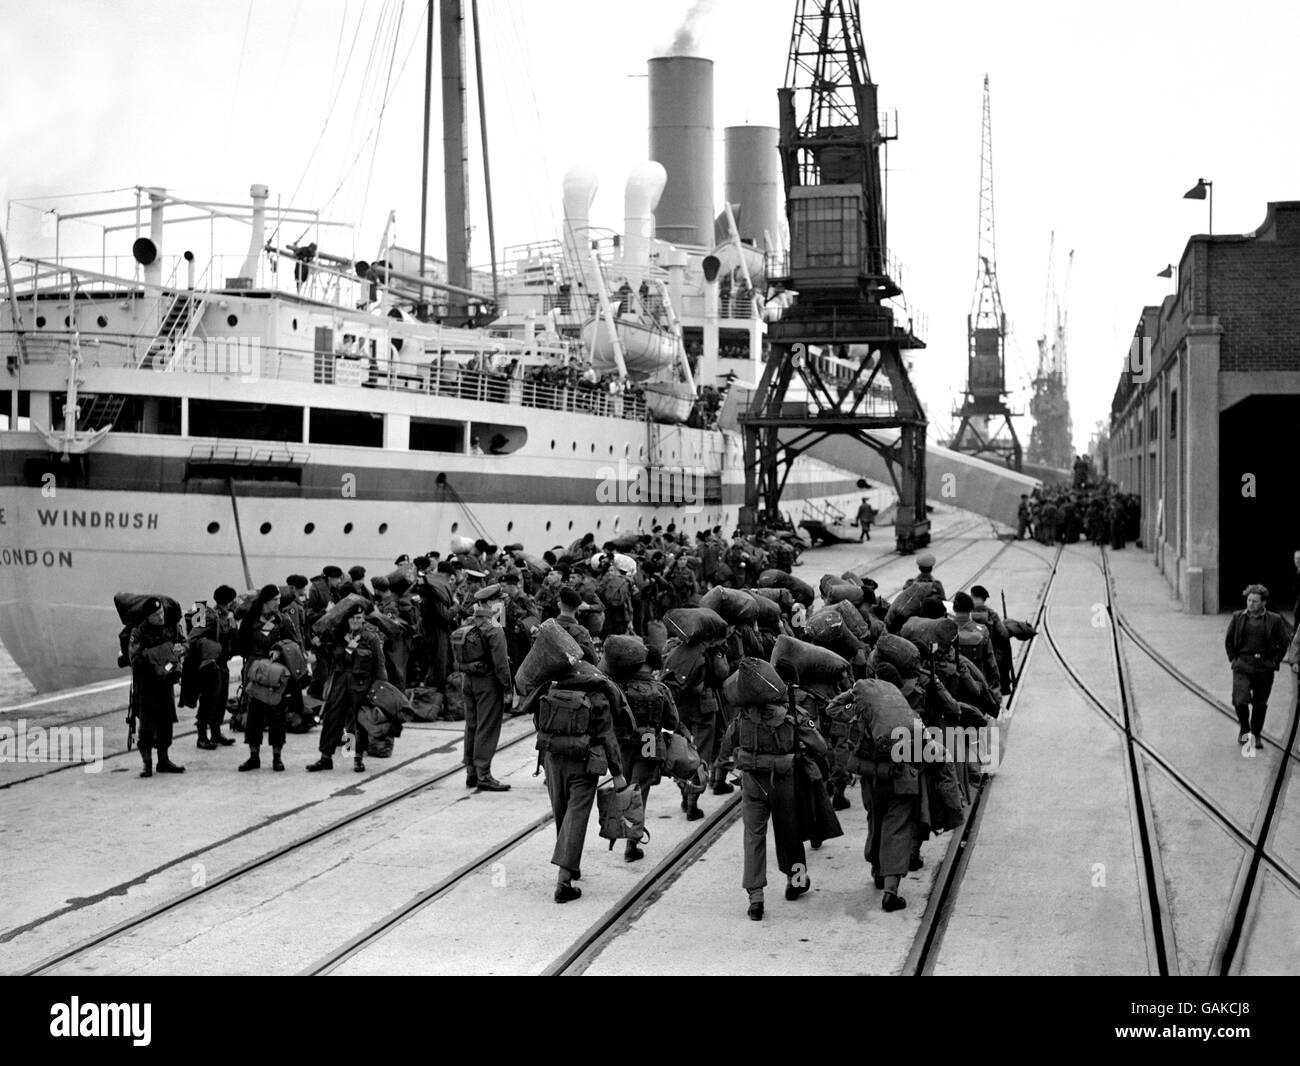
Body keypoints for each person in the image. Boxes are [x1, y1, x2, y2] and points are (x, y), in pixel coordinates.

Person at [717, 658, 826, 921]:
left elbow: (725, 747)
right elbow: (821, 747)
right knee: (790, 834)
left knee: (753, 837)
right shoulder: (795, 714)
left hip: (752, 782)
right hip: (784, 782)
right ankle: (796, 880)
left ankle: (756, 898)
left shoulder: (744, 715)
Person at [519, 664, 627, 903]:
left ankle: (570, 864)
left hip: (553, 760)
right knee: (576, 816)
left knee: (562, 812)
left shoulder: (549, 687)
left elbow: (532, 714)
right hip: (583, 762)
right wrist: (617, 773)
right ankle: (564, 880)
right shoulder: (597, 695)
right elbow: (607, 736)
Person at [606, 636, 681, 863]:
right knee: (640, 790)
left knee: (627, 786)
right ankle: (632, 842)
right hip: (649, 742)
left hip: (624, 743)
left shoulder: (621, 687)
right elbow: (672, 723)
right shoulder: (660, 689)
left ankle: (620, 829)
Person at [308, 602, 387, 773]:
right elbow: (330, 657)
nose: (355, 621)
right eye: (352, 617)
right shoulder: (339, 636)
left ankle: (357, 758)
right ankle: (325, 757)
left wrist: (378, 690)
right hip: (340, 682)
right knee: (332, 719)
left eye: (359, 617)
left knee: (358, 724)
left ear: (363, 619)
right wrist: (318, 645)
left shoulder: (371, 639)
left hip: (361, 686)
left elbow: (380, 667)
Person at [453, 587, 513, 791]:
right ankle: (484, 774)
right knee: (487, 728)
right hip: (488, 684)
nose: (502, 605)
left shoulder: (468, 624)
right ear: (490, 603)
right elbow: (501, 665)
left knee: (472, 726)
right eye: (500, 601)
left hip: (468, 680)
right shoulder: (494, 629)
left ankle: (471, 771)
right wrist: (508, 688)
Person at [1224, 584, 1292, 748]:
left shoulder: (1274, 620)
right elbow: (1229, 640)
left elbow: (1283, 643)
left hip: (1264, 666)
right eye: (1248, 600)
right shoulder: (1238, 617)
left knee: (1260, 703)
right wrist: (1233, 659)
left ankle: (1255, 734)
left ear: (1263, 603)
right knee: (1240, 701)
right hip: (1243, 665)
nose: (1250, 604)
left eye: (1255, 601)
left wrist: (1275, 661)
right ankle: (1245, 729)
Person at [237, 584, 292, 772]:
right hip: (256, 671)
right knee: (254, 714)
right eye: (275, 599)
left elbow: (294, 643)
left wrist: (279, 649)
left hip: (276, 672)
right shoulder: (250, 620)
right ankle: (254, 756)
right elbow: (240, 644)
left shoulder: (283, 620)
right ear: (266, 601)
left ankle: (277, 757)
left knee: (278, 714)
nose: (278, 602)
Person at [555, 586, 599, 665]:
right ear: (577, 608)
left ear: (559, 605)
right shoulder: (582, 632)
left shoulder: (548, 625)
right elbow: (594, 661)